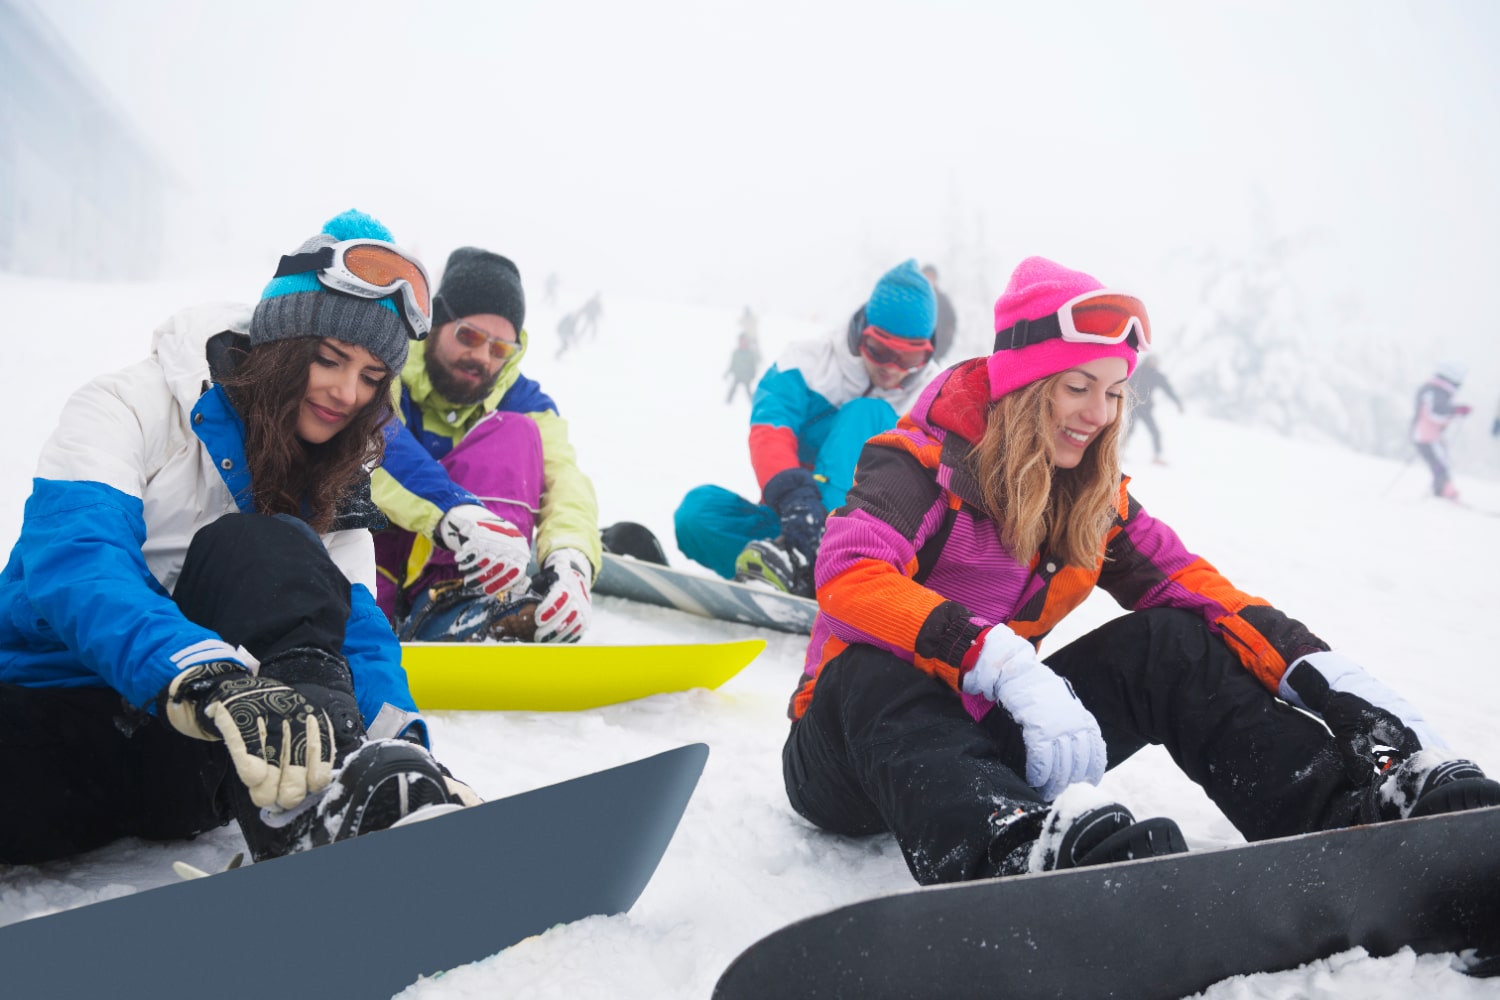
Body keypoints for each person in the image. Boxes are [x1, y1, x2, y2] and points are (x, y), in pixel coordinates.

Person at [781, 255, 1499, 888]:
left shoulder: (1091, 497)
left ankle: (1343, 811)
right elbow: (849, 575)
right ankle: (1011, 852)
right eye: (1077, 387)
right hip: (846, 753)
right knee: (875, 668)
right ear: (1029, 384)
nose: (1099, 412)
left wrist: (1321, 671)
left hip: (986, 742)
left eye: (1115, 392)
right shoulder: (917, 463)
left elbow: (1196, 588)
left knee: (1170, 642)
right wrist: (996, 660)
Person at [0, 210, 480, 866]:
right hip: (52, 720)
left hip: (197, 766)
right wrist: (204, 675)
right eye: (331, 359)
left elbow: (357, 634)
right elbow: (77, 562)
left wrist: (411, 757)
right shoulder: (125, 406)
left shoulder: (337, 476)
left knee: (273, 543)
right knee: (251, 540)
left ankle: (319, 817)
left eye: (371, 377)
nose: (347, 392)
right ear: (282, 345)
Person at [372, 246, 600, 644]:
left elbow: (564, 480)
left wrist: (571, 559)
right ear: (438, 321)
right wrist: (454, 512)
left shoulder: (523, 401)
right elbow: (374, 443)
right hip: (372, 560)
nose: (481, 356)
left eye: (499, 350)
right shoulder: (383, 365)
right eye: (469, 336)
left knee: (517, 435)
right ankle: (439, 608)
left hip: (473, 579)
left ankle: (472, 603)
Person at [674, 260, 939, 597]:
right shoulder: (805, 364)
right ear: (861, 333)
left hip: (868, 545)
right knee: (697, 513)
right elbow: (771, 430)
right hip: (794, 520)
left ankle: (824, 564)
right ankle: (796, 567)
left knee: (869, 413)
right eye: (880, 350)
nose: (891, 368)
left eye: (908, 359)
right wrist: (796, 500)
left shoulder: (931, 401)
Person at [1409, 361, 1471, 499]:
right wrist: (1457, 410)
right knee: (1439, 463)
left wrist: (1456, 411)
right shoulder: (1436, 391)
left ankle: (1442, 490)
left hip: (1428, 434)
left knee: (1440, 462)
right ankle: (1444, 491)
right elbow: (1436, 413)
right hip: (1425, 435)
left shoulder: (1435, 389)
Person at [1125, 353, 1184, 464]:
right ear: (1147, 361)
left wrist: (1178, 403)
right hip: (1133, 406)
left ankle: (1157, 457)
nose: (1154, 364)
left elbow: (1168, 390)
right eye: (1152, 361)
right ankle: (1119, 454)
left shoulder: (1156, 376)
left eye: (1156, 362)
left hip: (1146, 409)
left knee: (1155, 432)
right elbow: (1125, 384)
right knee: (1129, 430)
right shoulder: (1137, 372)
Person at [921, 263, 958, 364]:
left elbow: (951, 325)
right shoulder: (915, 298)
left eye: (931, 276)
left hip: (935, 354)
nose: (928, 279)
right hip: (912, 355)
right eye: (926, 276)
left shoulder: (943, 300)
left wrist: (942, 350)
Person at [724, 331, 762, 404]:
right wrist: (727, 373)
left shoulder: (750, 353)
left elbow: (753, 366)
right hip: (738, 375)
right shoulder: (736, 352)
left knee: (748, 391)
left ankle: (753, 402)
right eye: (741, 341)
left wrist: (753, 374)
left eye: (744, 341)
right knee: (732, 388)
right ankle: (727, 402)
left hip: (746, 376)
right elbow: (732, 364)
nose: (742, 343)